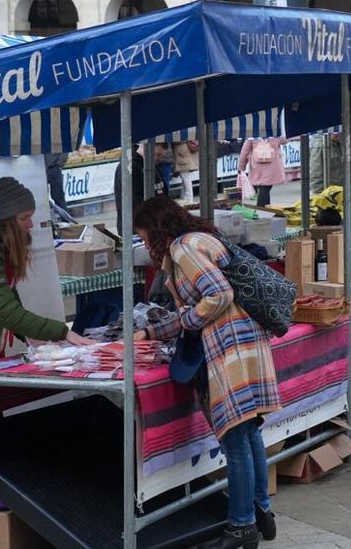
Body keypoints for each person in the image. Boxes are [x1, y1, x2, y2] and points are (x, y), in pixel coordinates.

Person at [132, 196, 280, 548]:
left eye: (142, 235)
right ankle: (261, 512)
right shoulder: (199, 239)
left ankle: (241, 527)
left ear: (155, 229)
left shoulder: (184, 248)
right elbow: (205, 300)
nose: (143, 244)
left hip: (227, 349)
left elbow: (217, 295)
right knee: (247, 433)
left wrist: (185, 320)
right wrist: (152, 332)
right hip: (242, 343)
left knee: (234, 438)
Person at [0, 178, 91, 361]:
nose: (31, 225)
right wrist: (63, 333)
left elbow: (9, 301)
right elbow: (7, 311)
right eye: (24, 217)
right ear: (5, 220)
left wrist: (33, 336)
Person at [238, 137, 287, 207]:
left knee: (264, 189)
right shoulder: (275, 134)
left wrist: (241, 167)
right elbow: (285, 141)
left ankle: (266, 210)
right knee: (265, 189)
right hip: (272, 167)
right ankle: (262, 210)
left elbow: (245, 152)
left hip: (257, 167)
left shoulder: (252, 136)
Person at [113, 144, 145, 233]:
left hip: (133, 223)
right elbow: (133, 199)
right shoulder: (130, 167)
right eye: (158, 155)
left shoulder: (143, 165)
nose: (158, 159)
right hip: (133, 225)